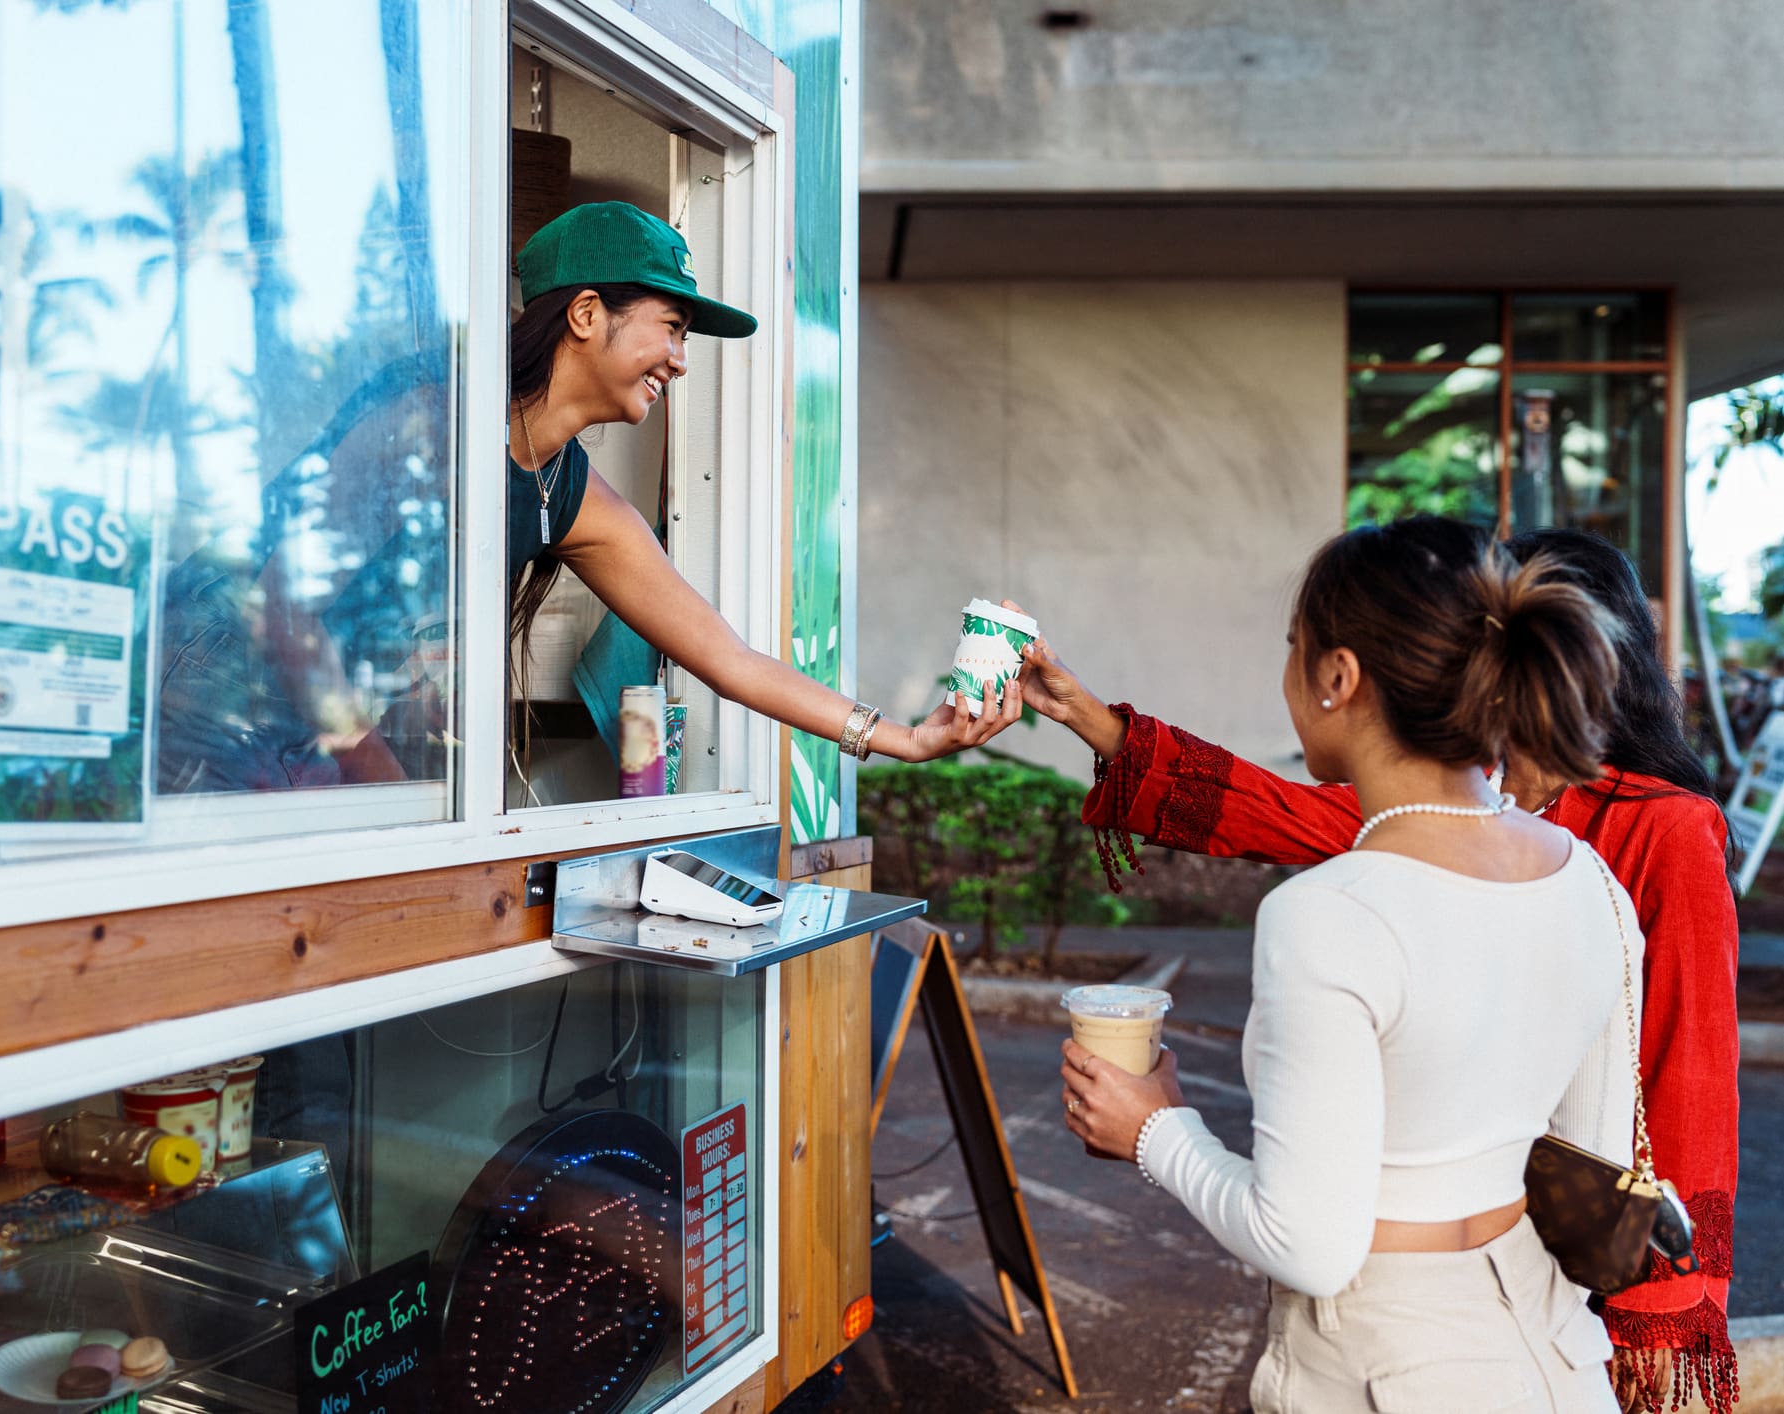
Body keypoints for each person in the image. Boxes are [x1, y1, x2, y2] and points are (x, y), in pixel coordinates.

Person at [1022, 527, 1741, 1414]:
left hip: (1403, 1362)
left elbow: (1689, 1070)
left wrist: (1154, 1129)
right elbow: (1588, 1144)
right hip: (1549, 1353)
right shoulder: (1571, 866)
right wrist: (1098, 725)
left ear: (1337, 676)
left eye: (1293, 648)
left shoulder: (1340, 908)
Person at [506, 200, 1018, 768]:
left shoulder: (570, 489)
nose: (680, 362)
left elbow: (731, 661)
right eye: (673, 329)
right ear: (585, 313)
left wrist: (907, 740)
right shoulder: (442, 430)